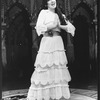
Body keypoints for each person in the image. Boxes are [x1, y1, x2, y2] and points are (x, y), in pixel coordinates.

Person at [27, 0, 75, 100]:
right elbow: (39, 27)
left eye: (54, 0)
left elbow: (71, 28)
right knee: (45, 66)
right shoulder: (43, 13)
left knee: (57, 67)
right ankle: (44, 95)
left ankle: (57, 94)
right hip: (47, 41)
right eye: (50, 0)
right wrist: (52, 26)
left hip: (57, 41)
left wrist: (59, 26)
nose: (53, 1)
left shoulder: (60, 14)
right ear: (47, 3)